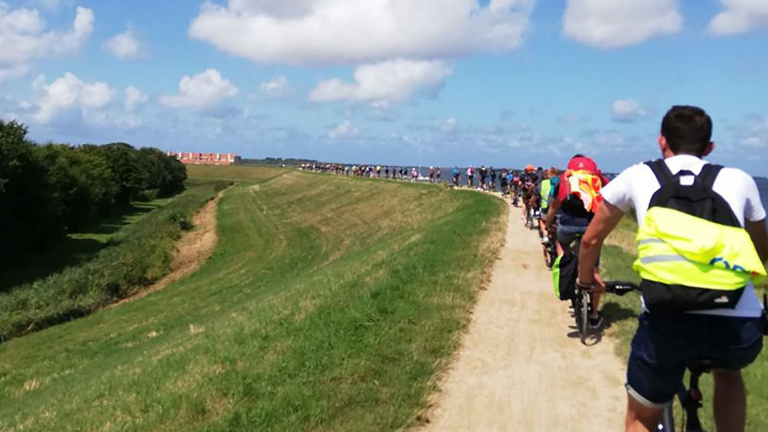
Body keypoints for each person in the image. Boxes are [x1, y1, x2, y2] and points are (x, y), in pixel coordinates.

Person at [578, 106, 768, 432]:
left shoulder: (639, 175)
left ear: (661, 141)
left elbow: (591, 239)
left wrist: (586, 280)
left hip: (666, 321)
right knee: (728, 371)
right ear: (709, 148)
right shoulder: (740, 180)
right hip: (737, 323)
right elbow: (761, 250)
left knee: (640, 417)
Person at [543, 155, 609, 325]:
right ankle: (594, 315)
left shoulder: (564, 180)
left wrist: (548, 223)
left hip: (567, 227)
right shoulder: (598, 180)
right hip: (591, 229)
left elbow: (553, 206)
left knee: (561, 242)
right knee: (594, 270)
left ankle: (566, 262)